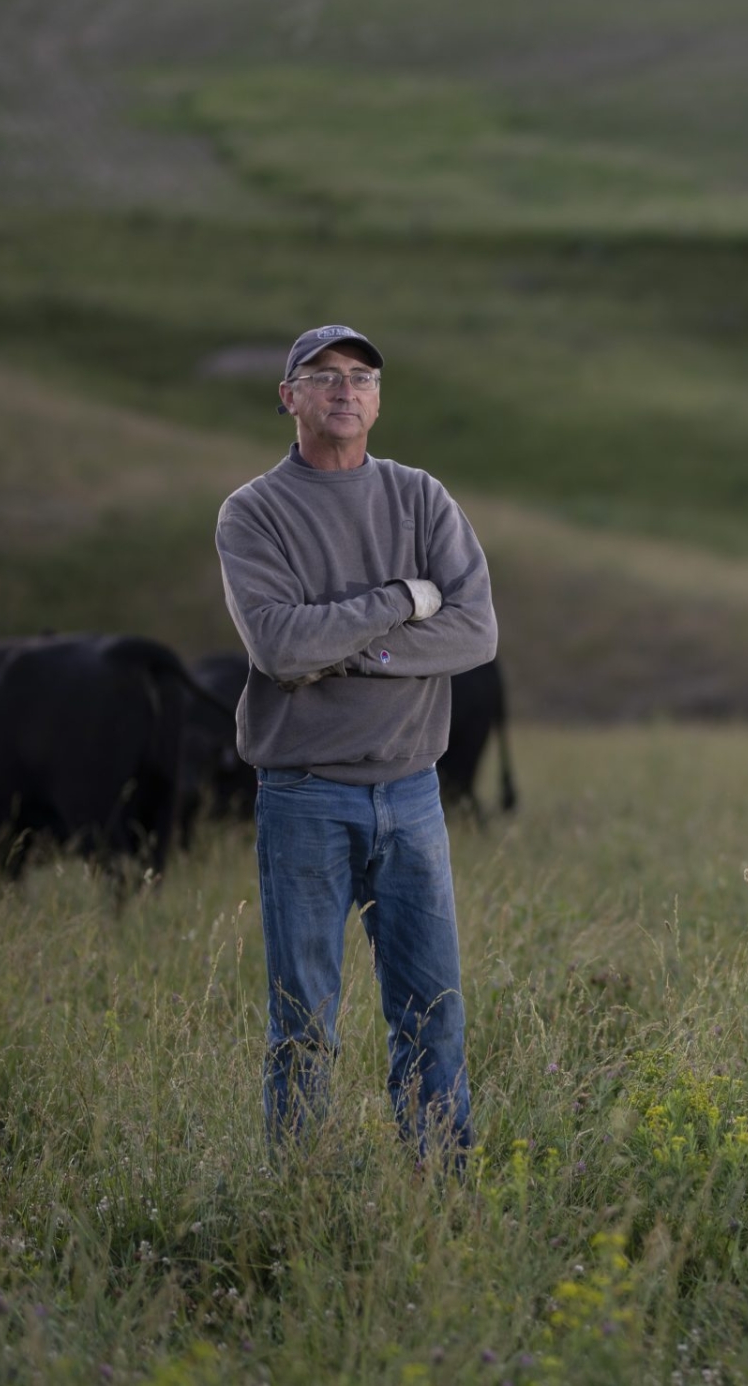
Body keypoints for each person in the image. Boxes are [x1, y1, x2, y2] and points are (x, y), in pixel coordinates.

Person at [214, 323, 497, 1162]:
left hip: (413, 792)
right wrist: (401, 599)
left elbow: (475, 631)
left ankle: (439, 1184)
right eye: (324, 375)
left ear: (378, 401)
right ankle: (298, 1191)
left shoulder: (421, 498)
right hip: (304, 794)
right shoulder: (254, 512)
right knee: (303, 1018)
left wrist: (348, 652)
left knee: (433, 1011)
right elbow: (281, 648)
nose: (346, 389)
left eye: (362, 377)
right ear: (288, 397)